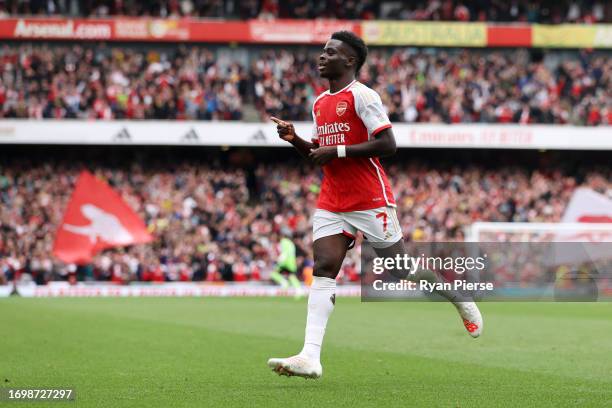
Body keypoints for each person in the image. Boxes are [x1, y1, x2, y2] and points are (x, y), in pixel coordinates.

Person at [267, 31, 483, 379]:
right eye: (322, 51)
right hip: (333, 198)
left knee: (402, 269)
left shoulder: (363, 96)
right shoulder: (320, 102)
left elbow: (388, 144)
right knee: (324, 266)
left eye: (330, 52)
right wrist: (296, 140)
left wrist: (335, 151)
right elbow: (320, 156)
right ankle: (310, 356)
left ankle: (456, 295)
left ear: (349, 61)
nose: (322, 57)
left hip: (369, 197)